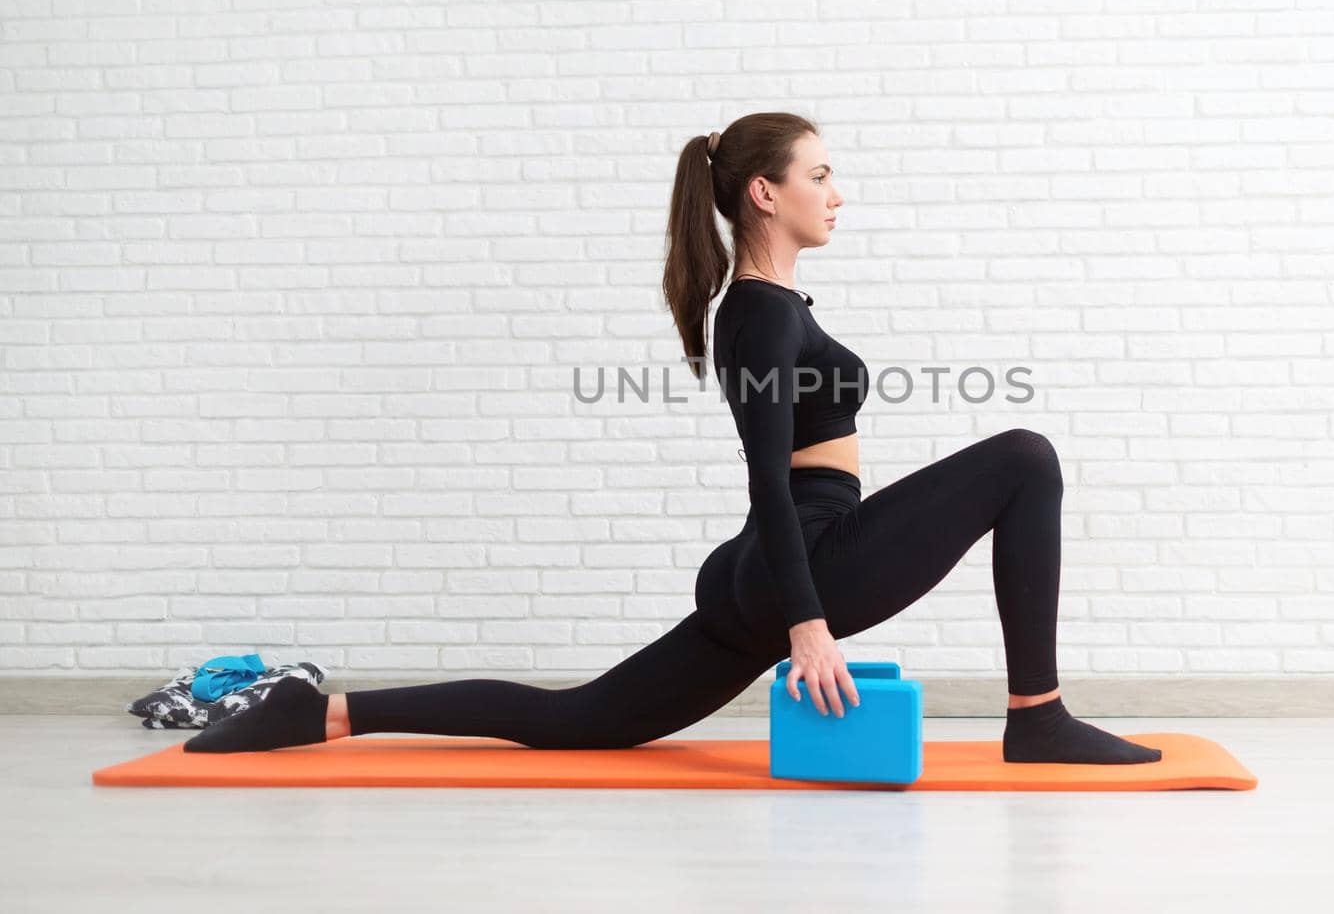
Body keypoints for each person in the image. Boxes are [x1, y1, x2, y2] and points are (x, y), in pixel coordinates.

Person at [185, 112, 1160, 765]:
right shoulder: (760, 316)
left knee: (581, 721)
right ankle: (1037, 717)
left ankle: (320, 715)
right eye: (820, 175)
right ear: (764, 195)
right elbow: (768, 487)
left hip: (773, 574)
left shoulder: (777, 309)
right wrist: (807, 623)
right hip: (799, 565)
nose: (838, 192)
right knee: (1024, 457)